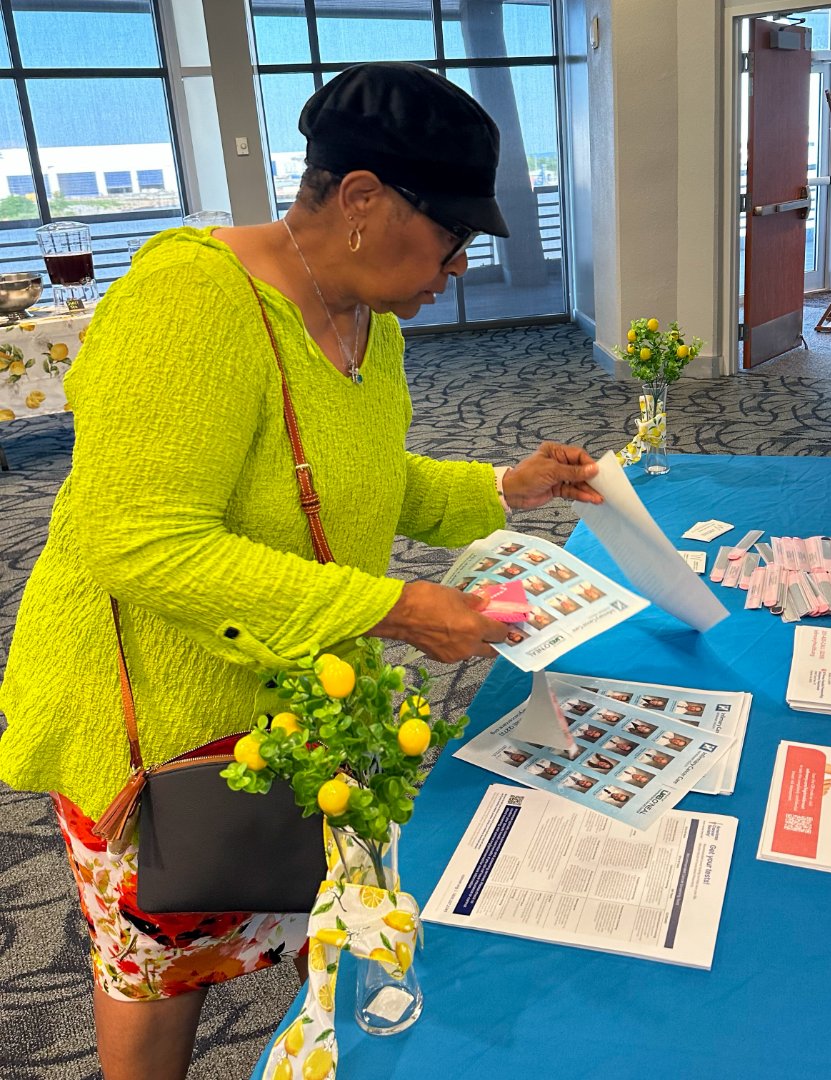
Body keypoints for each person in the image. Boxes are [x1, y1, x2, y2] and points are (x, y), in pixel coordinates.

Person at [0, 63, 602, 1080]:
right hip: (160, 716)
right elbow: (137, 539)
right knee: (159, 963)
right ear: (362, 201)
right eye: (452, 237)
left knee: (277, 903)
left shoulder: (373, 317)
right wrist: (397, 607)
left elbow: (363, 480)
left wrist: (507, 485)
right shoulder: (191, 301)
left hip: (285, 692)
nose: (457, 266)